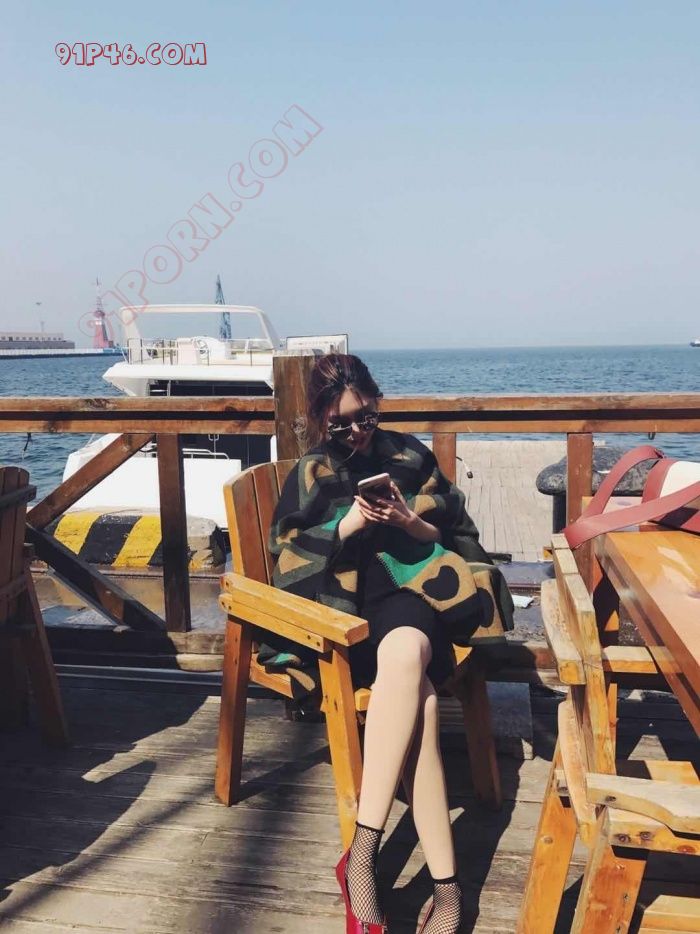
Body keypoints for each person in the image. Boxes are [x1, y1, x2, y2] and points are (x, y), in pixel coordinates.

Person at [269, 354, 513, 934]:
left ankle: (360, 857)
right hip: (347, 614)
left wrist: (408, 522)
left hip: (415, 594)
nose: (357, 431)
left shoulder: (409, 455)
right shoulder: (313, 470)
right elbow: (287, 557)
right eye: (341, 424)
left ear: (377, 403)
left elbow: (454, 534)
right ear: (321, 420)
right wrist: (347, 525)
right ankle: (448, 890)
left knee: (405, 653)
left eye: (367, 416)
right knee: (420, 702)